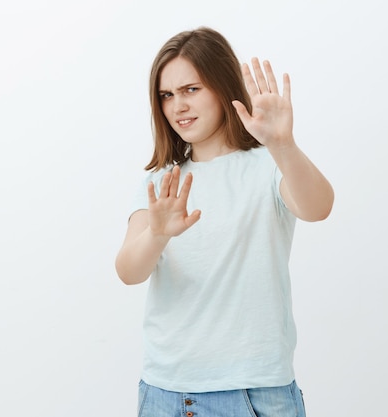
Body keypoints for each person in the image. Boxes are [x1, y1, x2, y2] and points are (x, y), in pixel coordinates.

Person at [115, 26, 334, 417]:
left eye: (191, 90)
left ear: (222, 85)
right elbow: (129, 271)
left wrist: (282, 144)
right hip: (169, 393)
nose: (178, 105)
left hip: (258, 392)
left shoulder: (268, 166)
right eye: (167, 95)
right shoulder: (161, 181)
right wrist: (158, 234)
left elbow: (318, 208)